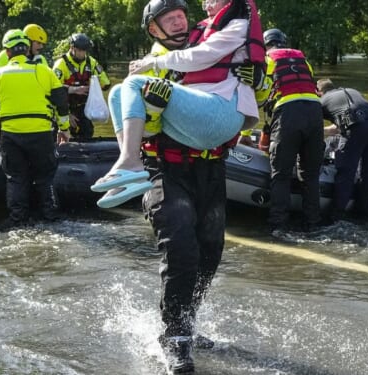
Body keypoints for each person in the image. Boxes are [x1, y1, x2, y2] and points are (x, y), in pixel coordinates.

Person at [98, 0, 263, 372]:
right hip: (165, 170)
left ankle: (187, 323)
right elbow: (141, 112)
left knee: (210, 253)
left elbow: (236, 86)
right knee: (181, 250)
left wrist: (256, 79)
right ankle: (174, 337)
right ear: (153, 30)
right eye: (166, 17)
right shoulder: (151, 62)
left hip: (211, 169)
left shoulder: (211, 41)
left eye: (180, 13)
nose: (177, 19)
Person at [0, 29, 71, 226]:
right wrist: (64, 128)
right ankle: (51, 217)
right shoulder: (44, 71)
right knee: (46, 179)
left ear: (7, 52)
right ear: (27, 49)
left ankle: (18, 221)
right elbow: (61, 103)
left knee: (16, 179)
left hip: (12, 136)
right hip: (42, 134)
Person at [256, 28, 324, 233]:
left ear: (266, 44)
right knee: (311, 175)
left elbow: (258, 96)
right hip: (314, 112)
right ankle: (313, 224)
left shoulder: (266, 60)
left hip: (288, 114)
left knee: (281, 174)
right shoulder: (303, 61)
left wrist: (244, 135)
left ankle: (279, 226)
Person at [317, 78, 368, 222]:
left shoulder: (323, 101)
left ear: (318, 92)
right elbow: (344, 123)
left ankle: (336, 216)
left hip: (356, 129)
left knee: (346, 172)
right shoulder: (351, 91)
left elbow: (312, 123)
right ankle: (362, 214)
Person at [51, 33, 112, 139]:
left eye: (85, 50)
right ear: (72, 48)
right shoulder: (61, 65)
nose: (83, 54)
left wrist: (95, 84)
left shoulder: (91, 62)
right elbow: (54, 92)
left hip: (83, 108)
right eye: (80, 50)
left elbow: (106, 84)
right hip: (63, 108)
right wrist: (67, 114)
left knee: (87, 131)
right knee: (57, 134)